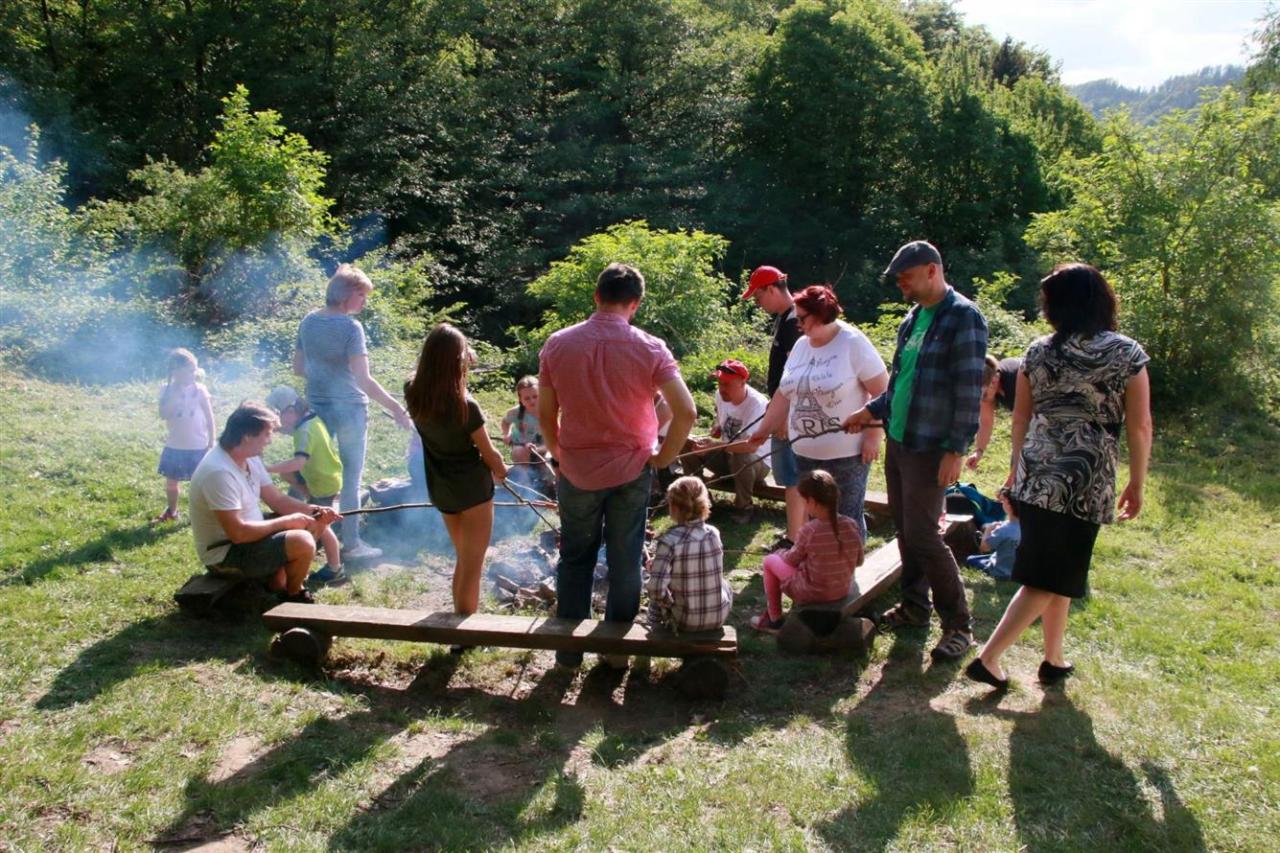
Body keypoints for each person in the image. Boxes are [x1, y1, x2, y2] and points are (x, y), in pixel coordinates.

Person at [965, 263, 1151, 691]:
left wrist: (1017, 471)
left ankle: (1053, 658)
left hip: (1037, 470)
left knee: (1059, 569)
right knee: (1049, 577)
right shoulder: (1126, 353)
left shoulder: (1037, 351)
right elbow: (1141, 425)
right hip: (1086, 477)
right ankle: (989, 659)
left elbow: (1021, 419)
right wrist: (1137, 482)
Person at [539, 262, 697, 669]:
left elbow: (545, 413)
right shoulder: (651, 347)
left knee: (576, 557)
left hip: (577, 468)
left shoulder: (557, 344)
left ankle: (569, 653)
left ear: (596, 296)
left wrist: (558, 453)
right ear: (635, 304)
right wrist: (663, 458)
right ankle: (616, 654)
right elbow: (687, 411)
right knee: (626, 560)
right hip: (632, 469)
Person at [843, 240, 988, 661]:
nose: (900, 286)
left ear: (931, 270)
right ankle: (914, 607)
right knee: (906, 530)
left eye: (905, 278)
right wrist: (869, 411)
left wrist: (955, 450)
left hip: (932, 446)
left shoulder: (964, 317)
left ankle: (959, 625)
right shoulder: (912, 319)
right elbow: (900, 384)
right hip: (900, 440)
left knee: (924, 533)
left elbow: (968, 391)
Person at [294, 263, 414, 560]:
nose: (364, 302)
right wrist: (397, 409)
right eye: (362, 295)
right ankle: (352, 545)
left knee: (318, 474)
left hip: (317, 407)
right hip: (349, 410)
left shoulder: (308, 321)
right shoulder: (350, 328)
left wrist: (324, 381)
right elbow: (364, 380)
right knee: (350, 479)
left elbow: (298, 367)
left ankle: (309, 537)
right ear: (346, 294)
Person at [750, 285, 888, 542]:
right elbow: (784, 394)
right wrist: (763, 430)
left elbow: (883, 392)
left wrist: (873, 436)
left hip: (846, 456)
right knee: (816, 521)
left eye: (802, 318)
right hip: (803, 454)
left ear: (820, 315)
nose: (798, 324)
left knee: (845, 520)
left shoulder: (852, 342)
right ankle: (820, 564)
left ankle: (850, 565)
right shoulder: (801, 345)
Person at [405, 324, 509, 617]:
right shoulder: (466, 405)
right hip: (473, 490)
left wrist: (458, 358)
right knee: (473, 565)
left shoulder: (412, 391)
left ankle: (457, 622)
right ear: (457, 360)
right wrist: (502, 470)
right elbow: (490, 454)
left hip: (441, 488)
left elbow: (434, 377)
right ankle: (465, 631)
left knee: (463, 558)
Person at [189, 402, 341, 603]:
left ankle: (277, 581)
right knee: (302, 540)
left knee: (315, 521)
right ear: (247, 436)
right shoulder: (219, 472)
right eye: (266, 435)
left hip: (251, 538)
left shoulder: (250, 458)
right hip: (226, 553)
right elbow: (238, 534)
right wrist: (288, 522)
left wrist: (313, 510)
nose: (269, 441)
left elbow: (277, 500)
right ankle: (293, 594)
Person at [751, 470, 864, 633]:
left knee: (770, 561)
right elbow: (859, 561)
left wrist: (780, 553)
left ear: (811, 501)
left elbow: (791, 560)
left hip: (814, 593)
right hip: (842, 589)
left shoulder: (810, 530)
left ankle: (774, 619)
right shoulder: (851, 524)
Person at [742, 265, 805, 546]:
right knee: (791, 476)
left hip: (790, 413)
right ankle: (798, 531)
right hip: (782, 407)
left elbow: (796, 375)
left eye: (758, 298)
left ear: (771, 289)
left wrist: (784, 416)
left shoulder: (795, 321)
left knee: (793, 477)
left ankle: (794, 537)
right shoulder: (785, 317)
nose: (758, 304)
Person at [263, 386, 347, 587]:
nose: (279, 419)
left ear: (291, 411)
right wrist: (275, 428)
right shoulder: (310, 418)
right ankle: (308, 498)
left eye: (279, 413)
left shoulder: (304, 431)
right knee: (286, 475)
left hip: (323, 482)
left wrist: (267, 468)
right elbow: (291, 430)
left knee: (322, 527)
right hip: (327, 476)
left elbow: (298, 462)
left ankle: (335, 568)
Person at [687, 359, 770, 523]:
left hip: (757, 462)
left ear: (742, 382)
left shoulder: (757, 404)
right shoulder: (720, 395)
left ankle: (744, 508)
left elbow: (750, 446)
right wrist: (716, 429)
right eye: (719, 383)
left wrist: (715, 445)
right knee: (688, 445)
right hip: (728, 457)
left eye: (727, 384)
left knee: (741, 455)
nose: (721, 388)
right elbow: (720, 421)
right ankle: (699, 499)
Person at [646, 476, 732, 632]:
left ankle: (654, 627)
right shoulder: (714, 534)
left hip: (684, 621)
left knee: (656, 595)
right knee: (725, 584)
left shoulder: (669, 541)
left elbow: (656, 589)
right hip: (718, 617)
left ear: (673, 508)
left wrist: (669, 603)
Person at [154, 348, 215, 523]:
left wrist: (211, 441)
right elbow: (163, 414)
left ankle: (208, 513)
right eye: (189, 371)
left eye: (194, 370)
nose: (193, 374)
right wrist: (175, 398)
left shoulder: (200, 390)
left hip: (199, 444)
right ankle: (172, 511)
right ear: (175, 372)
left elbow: (210, 417)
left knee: (203, 481)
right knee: (172, 482)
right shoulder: (166, 390)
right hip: (175, 444)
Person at [967, 355, 1023, 470]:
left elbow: (1023, 422)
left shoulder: (1016, 378)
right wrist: (979, 451)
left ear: (994, 380)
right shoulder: (988, 387)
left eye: (983, 395)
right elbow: (986, 422)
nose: (981, 400)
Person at [500, 376, 553, 487]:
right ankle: (525, 485)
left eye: (535, 396)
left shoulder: (548, 412)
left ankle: (549, 486)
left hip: (543, 447)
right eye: (527, 398)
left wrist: (539, 449)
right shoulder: (516, 412)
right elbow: (505, 422)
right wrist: (506, 434)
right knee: (520, 452)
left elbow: (555, 438)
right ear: (520, 399)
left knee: (549, 463)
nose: (532, 401)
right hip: (521, 445)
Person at [965, 488, 1020, 581]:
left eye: (1003, 501)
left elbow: (984, 548)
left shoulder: (1003, 530)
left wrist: (988, 530)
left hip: (1001, 572)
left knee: (971, 559)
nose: (1001, 504)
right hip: (1020, 571)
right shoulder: (1028, 526)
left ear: (1008, 505)